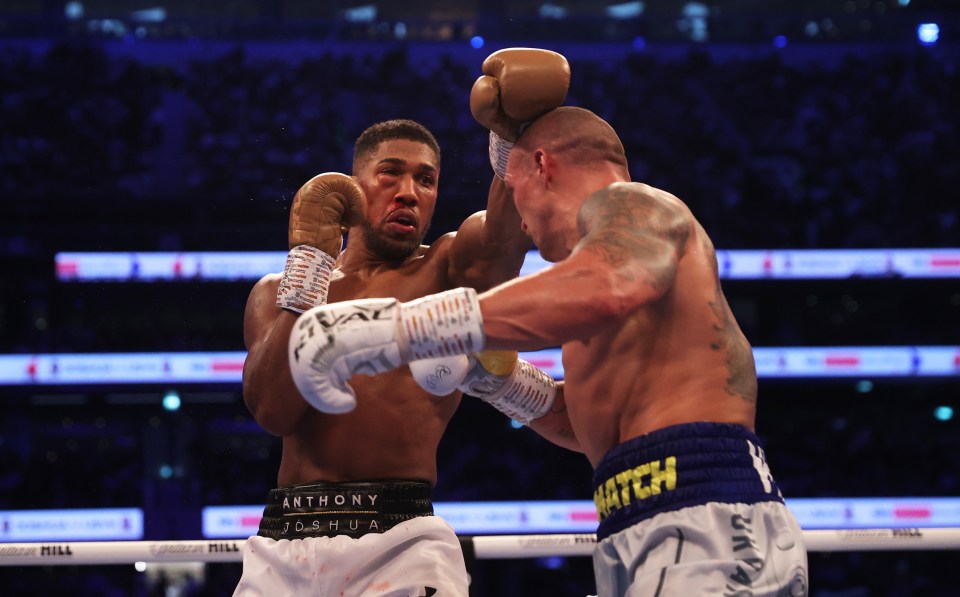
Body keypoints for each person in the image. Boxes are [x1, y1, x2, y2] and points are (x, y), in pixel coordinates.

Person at [291, 106, 809, 596]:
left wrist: (398, 329)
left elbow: (606, 286)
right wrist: (503, 385)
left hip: (710, 512)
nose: (522, 224)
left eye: (515, 193)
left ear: (542, 166)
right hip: (634, 516)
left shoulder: (638, 205)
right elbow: (581, 420)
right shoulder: (602, 299)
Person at [235, 50, 570, 596]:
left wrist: (510, 135)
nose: (409, 192)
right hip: (281, 545)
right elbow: (273, 410)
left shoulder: (447, 266)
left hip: (402, 539)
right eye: (390, 173)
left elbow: (508, 237)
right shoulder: (277, 291)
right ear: (352, 186)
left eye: (427, 179)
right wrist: (309, 269)